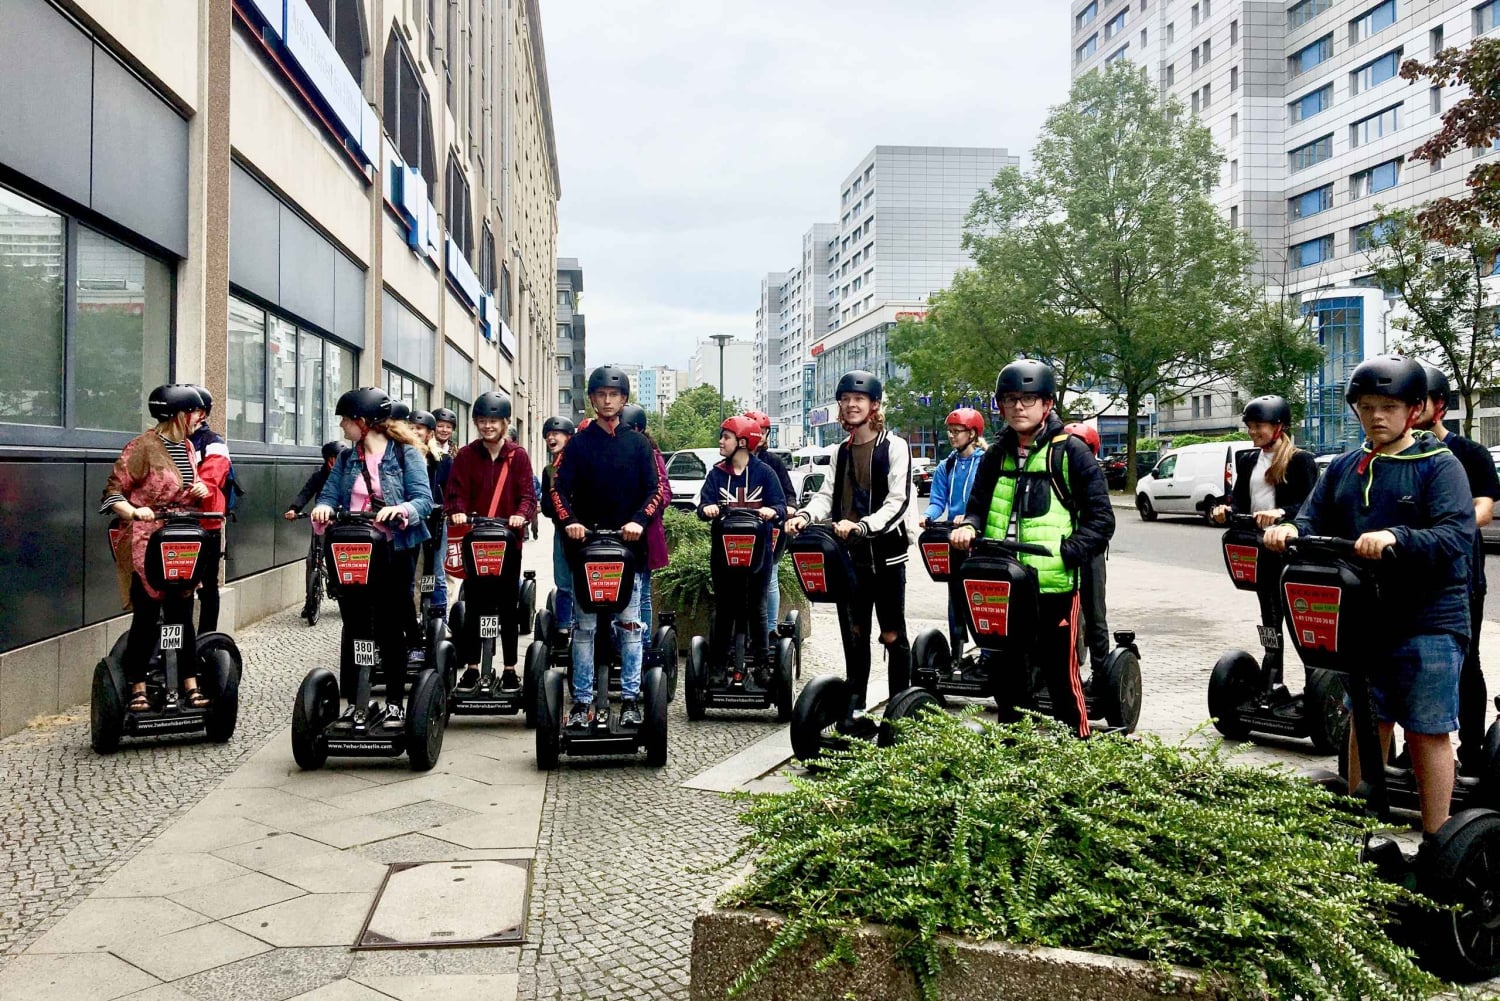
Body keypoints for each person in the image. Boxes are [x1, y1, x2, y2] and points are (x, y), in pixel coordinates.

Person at [1264, 355, 1475, 837]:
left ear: (1415, 409)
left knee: (1427, 728)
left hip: (1430, 621)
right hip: (1365, 618)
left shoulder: (1439, 467)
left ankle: (1438, 839)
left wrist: (1397, 537)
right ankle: (1365, 827)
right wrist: (1291, 529)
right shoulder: (1345, 467)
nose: (1377, 416)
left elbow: (1455, 536)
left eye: (1389, 406)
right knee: (1367, 718)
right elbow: (1313, 518)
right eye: (1366, 406)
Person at [949, 360, 1115, 738]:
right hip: (1003, 585)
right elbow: (977, 506)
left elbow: (1102, 520)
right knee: (1008, 679)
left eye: (1028, 399)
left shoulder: (1071, 453)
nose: (1018, 407)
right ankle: (1016, 753)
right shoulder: (994, 456)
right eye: (1010, 400)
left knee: (1061, 678)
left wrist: (1068, 552)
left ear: (1047, 403)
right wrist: (970, 526)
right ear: (1001, 406)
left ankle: (1076, 751)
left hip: (1053, 587)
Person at [785, 370, 912, 723]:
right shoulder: (841, 451)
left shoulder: (894, 447)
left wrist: (863, 526)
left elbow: (899, 501)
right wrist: (806, 517)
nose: (852, 405)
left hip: (886, 556)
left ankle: (900, 705)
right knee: (855, 633)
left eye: (859, 399)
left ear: (874, 405)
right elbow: (827, 496)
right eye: (846, 400)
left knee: (891, 633)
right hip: (850, 558)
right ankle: (854, 702)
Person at [311, 387, 434, 724]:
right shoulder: (349, 458)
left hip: (394, 550)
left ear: (362, 422)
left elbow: (423, 499)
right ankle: (358, 700)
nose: (342, 426)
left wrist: (400, 509)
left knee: (390, 626)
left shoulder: (406, 453)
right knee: (355, 626)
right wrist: (323, 508)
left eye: (346, 420)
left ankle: (394, 701)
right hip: (355, 550)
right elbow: (330, 494)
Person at [550, 367, 663, 729]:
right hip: (587, 548)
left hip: (627, 548)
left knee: (630, 626)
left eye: (614, 395)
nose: (608, 400)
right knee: (583, 628)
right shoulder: (579, 444)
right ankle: (582, 701)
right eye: (600, 395)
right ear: (593, 399)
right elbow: (557, 490)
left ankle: (630, 698)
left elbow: (655, 491)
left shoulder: (639, 443)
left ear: (624, 399)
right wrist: (570, 522)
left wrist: (638, 521)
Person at [100, 384, 213, 712]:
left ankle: (188, 682)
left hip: (180, 539)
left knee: (182, 612)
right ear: (178, 414)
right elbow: (112, 492)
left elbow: (181, 491)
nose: (198, 418)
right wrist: (134, 511)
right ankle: (137, 686)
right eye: (194, 412)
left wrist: (199, 489)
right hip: (145, 542)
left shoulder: (189, 448)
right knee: (147, 616)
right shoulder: (142, 447)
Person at [1414, 363, 1500, 774]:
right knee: (1409, 661)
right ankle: (1416, 751)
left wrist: (1446, 518)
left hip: (1461, 577)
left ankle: (1470, 750)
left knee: (1465, 663)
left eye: (1418, 403)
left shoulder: (1469, 454)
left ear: (1438, 406)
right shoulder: (1395, 455)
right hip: (1407, 575)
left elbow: (1484, 508)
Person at [1209, 395, 1319, 691]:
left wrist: (1281, 514)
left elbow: (1310, 507)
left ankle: (1316, 685)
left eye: (1259, 426)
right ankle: (1273, 678)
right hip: (1259, 552)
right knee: (1270, 620)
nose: (1253, 432)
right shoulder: (1247, 460)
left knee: (1298, 623)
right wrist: (1223, 510)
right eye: (1250, 426)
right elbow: (1237, 501)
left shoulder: (1300, 460)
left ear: (1279, 426)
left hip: (1290, 553)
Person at [443, 391, 536, 692]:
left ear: (506, 423)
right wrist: (457, 513)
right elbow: (454, 492)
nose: (487, 426)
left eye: (493, 421)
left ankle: (509, 668)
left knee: (508, 604)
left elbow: (528, 496)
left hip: (509, 543)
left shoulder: (517, 456)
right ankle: (472, 667)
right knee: (475, 605)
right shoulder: (467, 456)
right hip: (476, 542)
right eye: (482, 421)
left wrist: (521, 515)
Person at [699, 415, 785, 665]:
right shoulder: (717, 474)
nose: (721, 441)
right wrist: (708, 509)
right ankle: (718, 665)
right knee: (724, 608)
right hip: (724, 554)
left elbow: (780, 505)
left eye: (726, 437)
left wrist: (773, 511)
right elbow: (703, 505)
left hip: (758, 556)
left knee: (757, 607)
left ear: (744, 442)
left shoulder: (764, 473)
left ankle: (762, 665)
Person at [921, 407, 987, 661]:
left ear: (972, 433)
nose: (951, 436)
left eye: (957, 431)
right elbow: (938, 500)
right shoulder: (946, 466)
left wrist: (970, 517)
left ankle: (988, 651)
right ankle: (958, 651)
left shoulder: (986, 463)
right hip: (954, 539)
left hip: (979, 539)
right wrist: (929, 516)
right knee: (955, 596)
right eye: (950, 431)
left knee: (979, 595)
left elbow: (989, 500)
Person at [1060, 421, 1113, 677]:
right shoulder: (1057, 474)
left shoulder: (1093, 476)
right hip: (1063, 553)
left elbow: (1102, 519)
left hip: (1089, 552)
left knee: (1094, 614)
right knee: (1060, 615)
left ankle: (1101, 671)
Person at [619, 403, 672, 638]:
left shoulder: (651, 455)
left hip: (645, 534)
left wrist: (643, 510)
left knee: (642, 594)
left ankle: (644, 643)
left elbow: (664, 492)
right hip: (618, 533)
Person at [285, 441, 349, 621]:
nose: (337, 463)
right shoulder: (319, 476)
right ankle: (309, 601)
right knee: (311, 559)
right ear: (328, 460)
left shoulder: (348, 475)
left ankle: (343, 592)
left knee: (340, 560)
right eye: (334, 459)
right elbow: (306, 492)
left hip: (341, 524)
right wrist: (294, 509)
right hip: (321, 523)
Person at [745, 409, 796, 635]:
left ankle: (770, 629)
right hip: (741, 529)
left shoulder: (772, 462)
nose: (760, 435)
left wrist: (789, 509)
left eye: (763, 431)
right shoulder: (731, 462)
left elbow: (789, 494)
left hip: (770, 527)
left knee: (770, 575)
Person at [187, 386, 230, 634]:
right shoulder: (173, 441)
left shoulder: (213, 442)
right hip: (175, 522)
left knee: (207, 586)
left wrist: (202, 484)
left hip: (206, 523)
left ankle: (207, 639)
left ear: (202, 413)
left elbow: (214, 474)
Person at [409, 410, 453, 619]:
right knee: (412, 572)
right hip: (410, 521)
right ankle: (412, 616)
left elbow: (451, 490)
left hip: (436, 521)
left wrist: (448, 509)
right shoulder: (401, 456)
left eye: (419, 429)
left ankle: (439, 618)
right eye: (411, 428)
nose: (414, 432)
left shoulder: (442, 460)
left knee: (436, 571)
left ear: (429, 433)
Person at [538, 415, 577, 633]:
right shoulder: (549, 470)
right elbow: (546, 505)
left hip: (583, 531)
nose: (551, 438)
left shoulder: (580, 463)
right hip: (561, 532)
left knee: (580, 581)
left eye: (557, 434)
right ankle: (563, 625)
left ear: (569, 437)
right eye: (549, 435)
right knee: (563, 582)